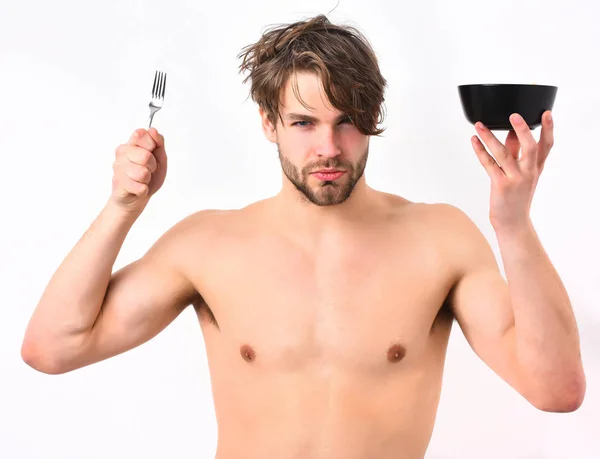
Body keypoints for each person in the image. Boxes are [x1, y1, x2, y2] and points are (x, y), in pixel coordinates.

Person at [21, 14, 585, 459]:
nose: (329, 149)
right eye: (303, 123)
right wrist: (123, 207)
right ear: (269, 122)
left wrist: (515, 225)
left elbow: (555, 390)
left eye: (347, 120)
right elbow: (52, 348)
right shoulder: (209, 245)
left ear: (373, 117)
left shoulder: (439, 240)